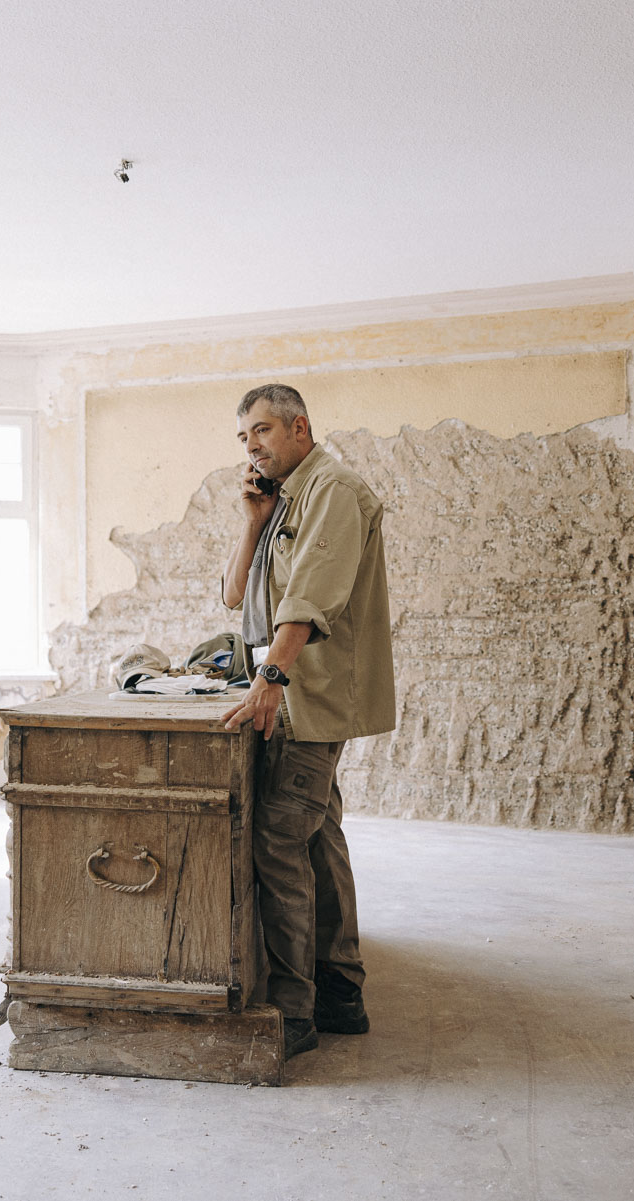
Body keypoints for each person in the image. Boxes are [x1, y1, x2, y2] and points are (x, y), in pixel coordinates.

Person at [221, 383, 396, 1059]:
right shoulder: (285, 498)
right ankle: (340, 990)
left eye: (262, 430)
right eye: (243, 437)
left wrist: (270, 678)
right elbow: (238, 596)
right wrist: (253, 520)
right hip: (294, 692)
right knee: (318, 835)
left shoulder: (334, 490)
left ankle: (293, 1012)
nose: (253, 445)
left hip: (306, 698)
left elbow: (310, 597)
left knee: (278, 842)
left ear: (300, 428)